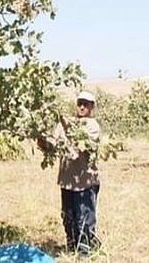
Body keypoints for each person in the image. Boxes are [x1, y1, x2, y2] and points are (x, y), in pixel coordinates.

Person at [38, 90, 101, 255]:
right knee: (68, 217)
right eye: (79, 103)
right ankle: (72, 248)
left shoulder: (92, 125)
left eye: (85, 104)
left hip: (85, 183)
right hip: (66, 181)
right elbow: (52, 145)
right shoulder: (63, 124)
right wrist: (41, 139)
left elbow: (83, 141)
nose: (81, 107)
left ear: (91, 107)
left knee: (85, 219)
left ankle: (85, 253)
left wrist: (67, 123)